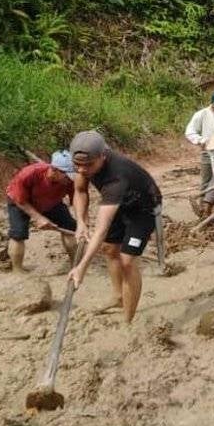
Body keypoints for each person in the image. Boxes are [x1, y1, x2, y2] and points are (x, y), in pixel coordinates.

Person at [66, 130, 162, 324]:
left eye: (88, 165)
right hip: (118, 205)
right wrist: (81, 222)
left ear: (103, 155)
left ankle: (128, 320)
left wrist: (81, 267)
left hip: (142, 209)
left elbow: (101, 230)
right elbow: (80, 190)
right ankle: (118, 297)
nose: (82, 170)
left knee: (127, 261)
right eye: (78, 165)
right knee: (110, 249)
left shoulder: (116, 177)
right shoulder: (85, 164)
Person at [5, 150, 78, 272]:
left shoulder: (69, 181)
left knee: (70, 228)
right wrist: (39, 218)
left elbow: (77, 199)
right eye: (67, 175)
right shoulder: (29, 174)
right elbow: (20, 200)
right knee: (18, 234)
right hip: (20, 202)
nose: (69, 179)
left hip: (51, 202)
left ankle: (75, 265)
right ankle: (17, 270)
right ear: (54, 170)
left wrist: (82, 222)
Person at [184, 90, 214, 214]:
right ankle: (203, 210)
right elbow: (190, 131)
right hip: (208, 151)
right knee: (207, 181)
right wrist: (200, 141)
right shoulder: (202, 114)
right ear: (213, 104)